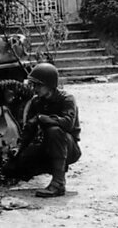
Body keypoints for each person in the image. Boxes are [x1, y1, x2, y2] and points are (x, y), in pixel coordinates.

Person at [7, 62, 81, 197]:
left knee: (54, 131)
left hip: (68, 148)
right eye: (34, 85)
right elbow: (29, 128)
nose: (35, 89)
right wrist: (19, 147)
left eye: (39, 85)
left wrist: (43, 118)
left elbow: (68, 123)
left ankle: (58, 183)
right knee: (12, 168)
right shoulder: (37, 102)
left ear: (50, 85)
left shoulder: (67, 99)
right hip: (46, 146)